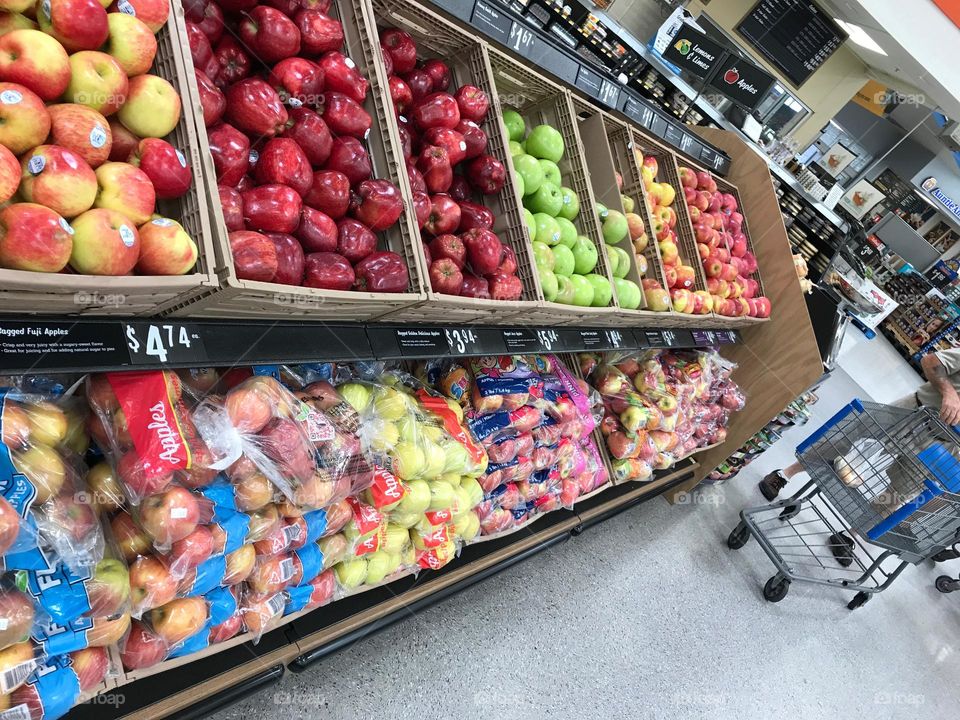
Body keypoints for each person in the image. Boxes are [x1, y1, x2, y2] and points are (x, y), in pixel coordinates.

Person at [757, 347, 960, 565]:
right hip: (917, 411)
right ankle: (785, 474)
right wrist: (949, 393)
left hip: (943, 446)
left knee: (900, 493)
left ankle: (849, 535)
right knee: (847, 438)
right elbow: (931, 361)